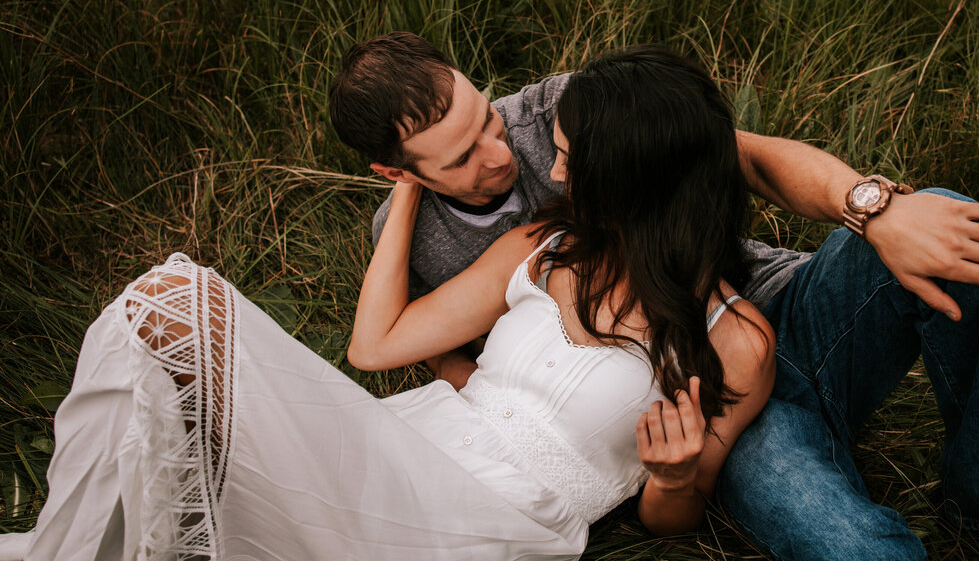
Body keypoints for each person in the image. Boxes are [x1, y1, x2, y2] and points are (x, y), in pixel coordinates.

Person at [328, 32, 979, 561]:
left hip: (770, 309)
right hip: (707, 394)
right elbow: (426, 350)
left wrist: (874, 208)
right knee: (852, 549)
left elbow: (739, 159)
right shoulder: (432, 242)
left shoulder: (567, 110)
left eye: (486, 118)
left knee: (952, 225)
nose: (504, 151)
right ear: (401, 171)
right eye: (461, 156)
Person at [1, 48, 775, 561]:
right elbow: (375, 349)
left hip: (488, 520)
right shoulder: (544, 248)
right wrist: (407, 188)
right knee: (167, 305)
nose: (551, 173)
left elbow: (671, 517)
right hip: (410, 439)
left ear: (635, 178)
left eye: (570, 160)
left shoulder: (738, 340)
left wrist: (672, 480)